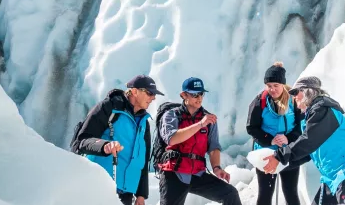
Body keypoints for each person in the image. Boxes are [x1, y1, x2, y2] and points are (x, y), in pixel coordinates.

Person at [261, 76, 345, 205]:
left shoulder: (324, 110)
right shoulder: (314, 116)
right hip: (332, 180)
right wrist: (281, 164)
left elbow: (308, 141)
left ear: (307, 92)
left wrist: (279, 156)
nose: (294, 97)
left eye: (295, 92)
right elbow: (307, 153)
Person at [73, 75, 164, 205]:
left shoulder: (144, 123)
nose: (153, 98)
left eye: (154, 94)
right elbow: (82, 140)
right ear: (134, 91)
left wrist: (141, 194)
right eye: (149, 93)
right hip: (101, 186)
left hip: (126, 193)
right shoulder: (110, 108)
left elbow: (142, 162)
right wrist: (104, 146)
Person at [155, 77, 242, 205]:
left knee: (230, 194)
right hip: (174, 173)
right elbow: (172, 139)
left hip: (197, 173)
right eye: (194, 94)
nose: (199, 98)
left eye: (201, 93)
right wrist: (200, 125)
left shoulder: (208, 119)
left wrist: (217, 168)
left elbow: (214, 147)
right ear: (184, 95)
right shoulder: (171, 115)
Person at [245, 62, 304, 205]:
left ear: (283, 84)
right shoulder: (260, 102)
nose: (272, 89)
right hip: (266, 154)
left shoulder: (293, 100)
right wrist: (270, 140)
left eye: (275, 85)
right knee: (265, 195)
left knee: (291, 193)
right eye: (269, 86)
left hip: (288, 151)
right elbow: (251, 128)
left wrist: (287, 138)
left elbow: (300, 126)